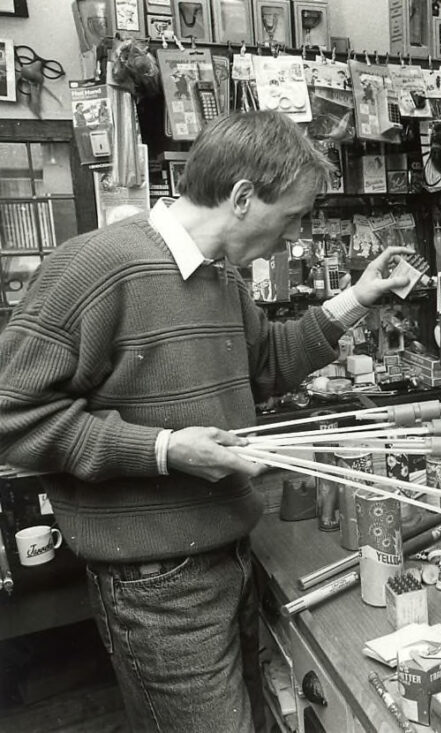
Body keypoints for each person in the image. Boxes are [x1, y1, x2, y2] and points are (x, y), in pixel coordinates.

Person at [0, 110, 412, 732]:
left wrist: (355, 298)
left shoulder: (220, 279)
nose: (295, 235)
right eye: (293, 216)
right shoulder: (97, 266)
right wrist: (166, 449)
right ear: (243, 197)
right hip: (156, 590)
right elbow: (12, 415)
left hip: (230, 560)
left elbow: (265, 365)